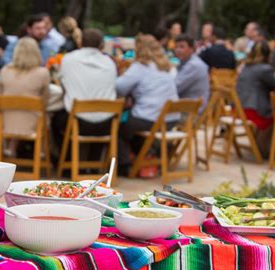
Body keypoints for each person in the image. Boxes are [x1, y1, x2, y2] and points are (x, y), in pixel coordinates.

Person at [116, 34, 178, 172]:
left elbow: (119, 87)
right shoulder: (168, 67)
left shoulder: (140, 67)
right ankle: (148, 155)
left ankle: (124, 166)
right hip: (171, 119)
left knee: (118, 127)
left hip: (151, 118)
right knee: (133, 126)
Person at [52, 29, 117, 150]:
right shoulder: (110, 63)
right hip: (106, 124)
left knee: (55, 121)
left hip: (76, 121)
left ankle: (67, 161)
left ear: (80, 42)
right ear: (101, 45)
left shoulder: (68, 59)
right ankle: (94, 164)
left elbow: (61, 83)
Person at [236, 41, 275, 157]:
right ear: (267, 55)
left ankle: (258, 145)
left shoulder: (245, 67)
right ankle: (263, 150)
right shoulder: (265, 69)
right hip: (251, 112)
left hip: (238, 109)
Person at [0, 37, 50, 136]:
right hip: (33, 125)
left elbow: (0, 95)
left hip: (6, 124)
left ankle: (11, 148)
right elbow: (45, 101)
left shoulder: (4, 70)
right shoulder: (42, 73)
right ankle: (44, 150)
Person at [174, 34, 210, 112]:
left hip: (191, 113)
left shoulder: (194, 66)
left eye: (182, 47)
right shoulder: (186, 62)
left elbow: (174, 88)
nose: (178, 50)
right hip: (187, 106)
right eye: (176, 47)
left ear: (191, 49)